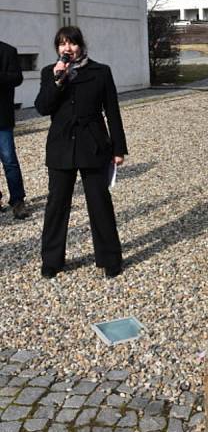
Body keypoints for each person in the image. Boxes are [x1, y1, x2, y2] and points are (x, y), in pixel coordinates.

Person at [35, 26, 127, 279]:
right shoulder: (49, 72)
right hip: (61, 146)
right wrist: (56, 79)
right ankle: (52, 260)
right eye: (63, 44)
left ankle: (110, 258)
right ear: (57, 48)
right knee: (56, 205)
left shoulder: (101, 72)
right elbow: (42, 107)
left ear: (81, 46)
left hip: (94, 145)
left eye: (72, 43)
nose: (68, 49)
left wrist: (118, 148)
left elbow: (112, 111)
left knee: (99, 203)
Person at [0, 39, 29, 219]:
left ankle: (18, 201)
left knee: (9, 160)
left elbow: (17, 78)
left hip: (1, 117)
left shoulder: (8, 50)